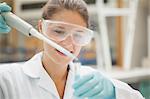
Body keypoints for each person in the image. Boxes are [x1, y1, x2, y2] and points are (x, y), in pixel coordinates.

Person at [0, 1, 144, 99]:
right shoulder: (7, 79)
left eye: (78, 35)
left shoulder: (92, 82)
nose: (68, 43)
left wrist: (115, 94)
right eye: (58, 31)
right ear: (41, 27)